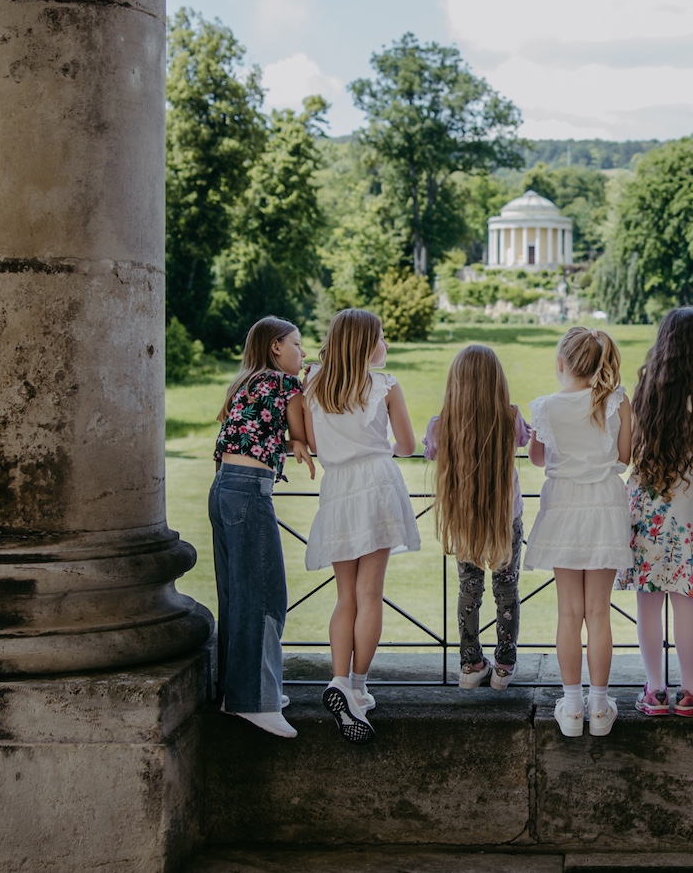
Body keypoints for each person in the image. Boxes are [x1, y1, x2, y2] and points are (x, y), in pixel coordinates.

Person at [299, 309, 419, 743]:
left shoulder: (313, 384)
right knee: (371, 594)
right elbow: (406, 446)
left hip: (338, 489)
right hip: (376, 483)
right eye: (382, 336)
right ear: (369, 345)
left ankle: (337, 680)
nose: (386, 343)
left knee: (345, 596)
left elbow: (313, 443)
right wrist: (377, 444)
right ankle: (358, 687)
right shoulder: (384, 385)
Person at [616, 307, 693, 718]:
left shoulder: (645, 388)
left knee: (647, 600)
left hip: (646, 503)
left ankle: (654, 691)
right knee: (685, 600)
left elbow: (629, 449)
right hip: (690, 510)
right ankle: (690, 690)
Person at [209, 316, 316, 740]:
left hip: (222, 489)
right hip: (250, 492)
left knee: (236, 595)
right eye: (297, 344)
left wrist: (291, 441)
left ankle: (237, 691)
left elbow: (270, 432)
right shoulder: (286, 385)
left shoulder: (246, 383)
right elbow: (315, 436)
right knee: (265, 595)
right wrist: (314, 392)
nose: (302, 353)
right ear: (276, 347)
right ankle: (255, 701)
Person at [525, 327, 633, 737]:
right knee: (598, 611)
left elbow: (537, 458)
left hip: (564, 505)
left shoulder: (545, 407)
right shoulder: (617, 401)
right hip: (605, 503)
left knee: (569, 611)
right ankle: (601, 706)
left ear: (561, 364)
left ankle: (572, 707)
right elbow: (625, 456)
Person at [422, 344, 532, 692]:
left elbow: (429, 450)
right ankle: (504, 664)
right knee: (507, 589)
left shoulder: (441, 424)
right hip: (504, 515)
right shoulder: (510, 417)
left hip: (463, 516)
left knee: (469, 590)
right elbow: (526, 439)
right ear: (497, 381)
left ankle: (470, 664)